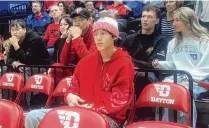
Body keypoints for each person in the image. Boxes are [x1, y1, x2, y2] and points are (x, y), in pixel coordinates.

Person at [25, 17, 134, 128]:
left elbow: (119, 100)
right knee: (33, 116)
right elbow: (73, 87)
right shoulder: (85, 62)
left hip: (106, 117)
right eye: (95, 34)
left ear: (114, 36)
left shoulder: (124, 63)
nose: (98, 38)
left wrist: (90, 107)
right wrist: (70, 96)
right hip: (78, 111)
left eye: (103, 34)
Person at [152, 7, 209, 127]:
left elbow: (206, 67)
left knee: (181, 90)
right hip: (178, 78)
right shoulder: (172, 42)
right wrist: (160, 64)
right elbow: (172, 64)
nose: (173, 24)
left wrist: (189, 78)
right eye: (173, 20)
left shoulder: (204, 41)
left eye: (177, 20)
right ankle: (165, 124)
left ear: (188, 20)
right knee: (163, 90)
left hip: (199, 80)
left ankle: (185, 125)